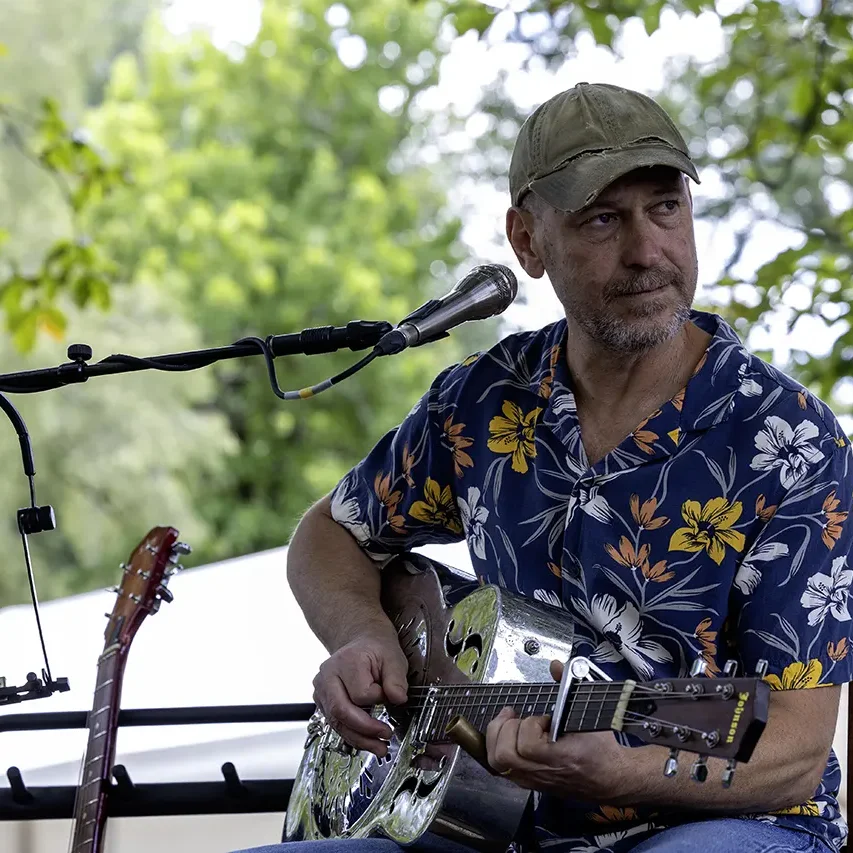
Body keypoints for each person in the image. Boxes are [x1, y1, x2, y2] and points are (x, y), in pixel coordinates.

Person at [234, 83, 853, 853]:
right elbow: (331, 532)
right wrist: (363, 638)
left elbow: (792, 749)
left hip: (725, 823)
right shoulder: (481, 400)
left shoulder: (785, 439)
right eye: (601, 219)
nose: (646, 251)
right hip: (484, 820)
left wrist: (624, 771)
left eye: (664, 207)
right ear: (527, 243)